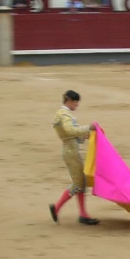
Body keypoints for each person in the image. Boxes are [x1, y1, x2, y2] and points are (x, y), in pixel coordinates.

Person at [49, 90, 99, 225]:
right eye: (75, 102)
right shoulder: (64, 114)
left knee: (81, 183)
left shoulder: (62, 113)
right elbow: (70, 130)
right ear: (69, 100)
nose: (76, 105)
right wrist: (88, 128)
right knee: (78, 184)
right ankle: (57, 208)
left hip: (70, 150)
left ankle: (83, 214)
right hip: (71, 152)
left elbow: (69, 134)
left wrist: (84, 136)